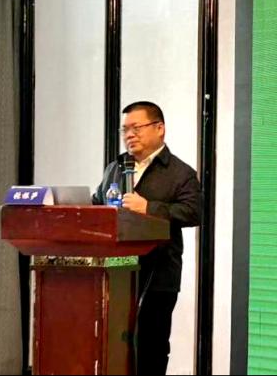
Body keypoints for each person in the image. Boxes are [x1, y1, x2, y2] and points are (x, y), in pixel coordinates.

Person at [93, 101, 201, 374]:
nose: (129, 135)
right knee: (114, 345)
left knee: (150, 345)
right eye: (125, 130)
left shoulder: (180, 173)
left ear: (159, 128)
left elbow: (194, 212)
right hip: (116, 273)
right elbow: (97, 204)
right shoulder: (116, 168)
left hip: (158, 275)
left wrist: (149, 208)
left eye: (136, 128)